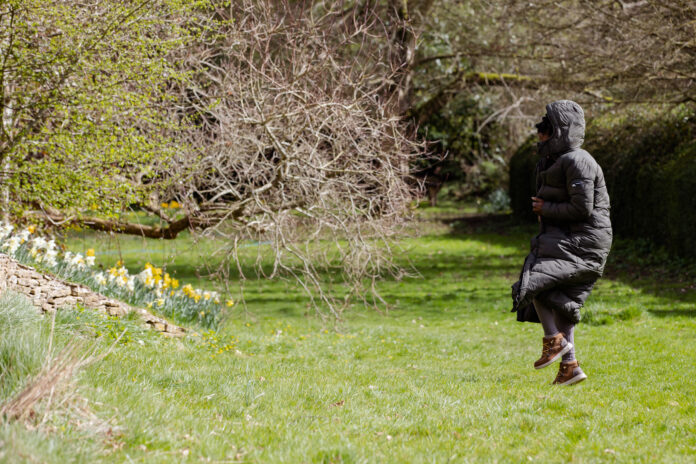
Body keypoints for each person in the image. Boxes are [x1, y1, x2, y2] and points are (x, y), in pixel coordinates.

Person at [511, 100, 612, 386]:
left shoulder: (578, 160)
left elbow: (583, 209)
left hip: (584, 241)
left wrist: (545, 209)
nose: (539, 136)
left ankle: (554, 342)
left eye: (544, 130)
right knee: (559, 301)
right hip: (568, 238)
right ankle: (569, 366)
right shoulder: (554, 161)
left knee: (534, 283)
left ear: (558, 132)